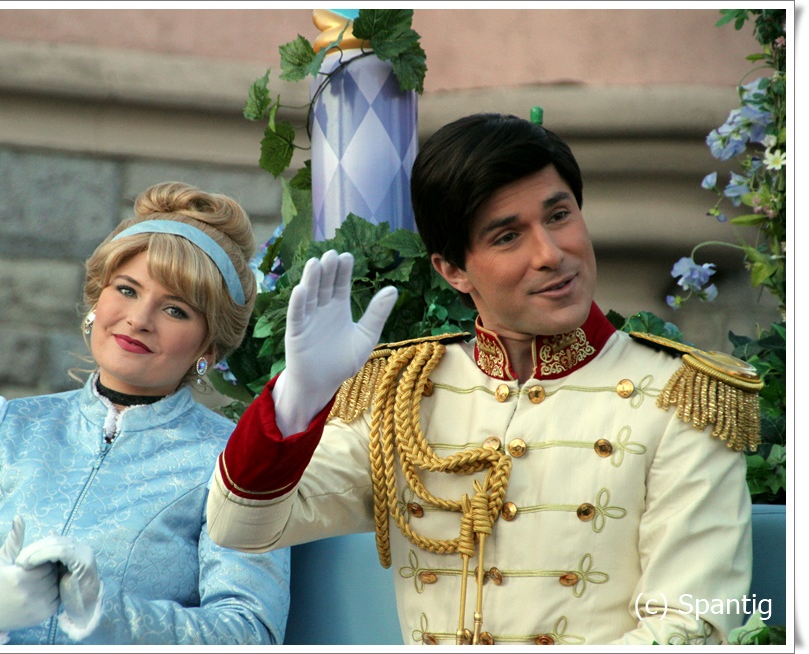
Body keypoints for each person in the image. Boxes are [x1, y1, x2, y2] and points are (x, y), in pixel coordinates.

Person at [206, 113, 760, 645]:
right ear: (452, 270)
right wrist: (300, 397)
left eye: (559, 216)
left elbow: (692, 628)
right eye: (507, 237)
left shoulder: (684, 398)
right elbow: (241, 528)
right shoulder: (405, 394)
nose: (551, 254)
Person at [0, 181, 291, 645]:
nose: (139, 319)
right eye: (127, 289)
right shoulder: (0, 432)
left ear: (209, 347)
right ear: (98, 299)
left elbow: (247, 634)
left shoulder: (235, 464)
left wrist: (106, 614)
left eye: (176, 310)